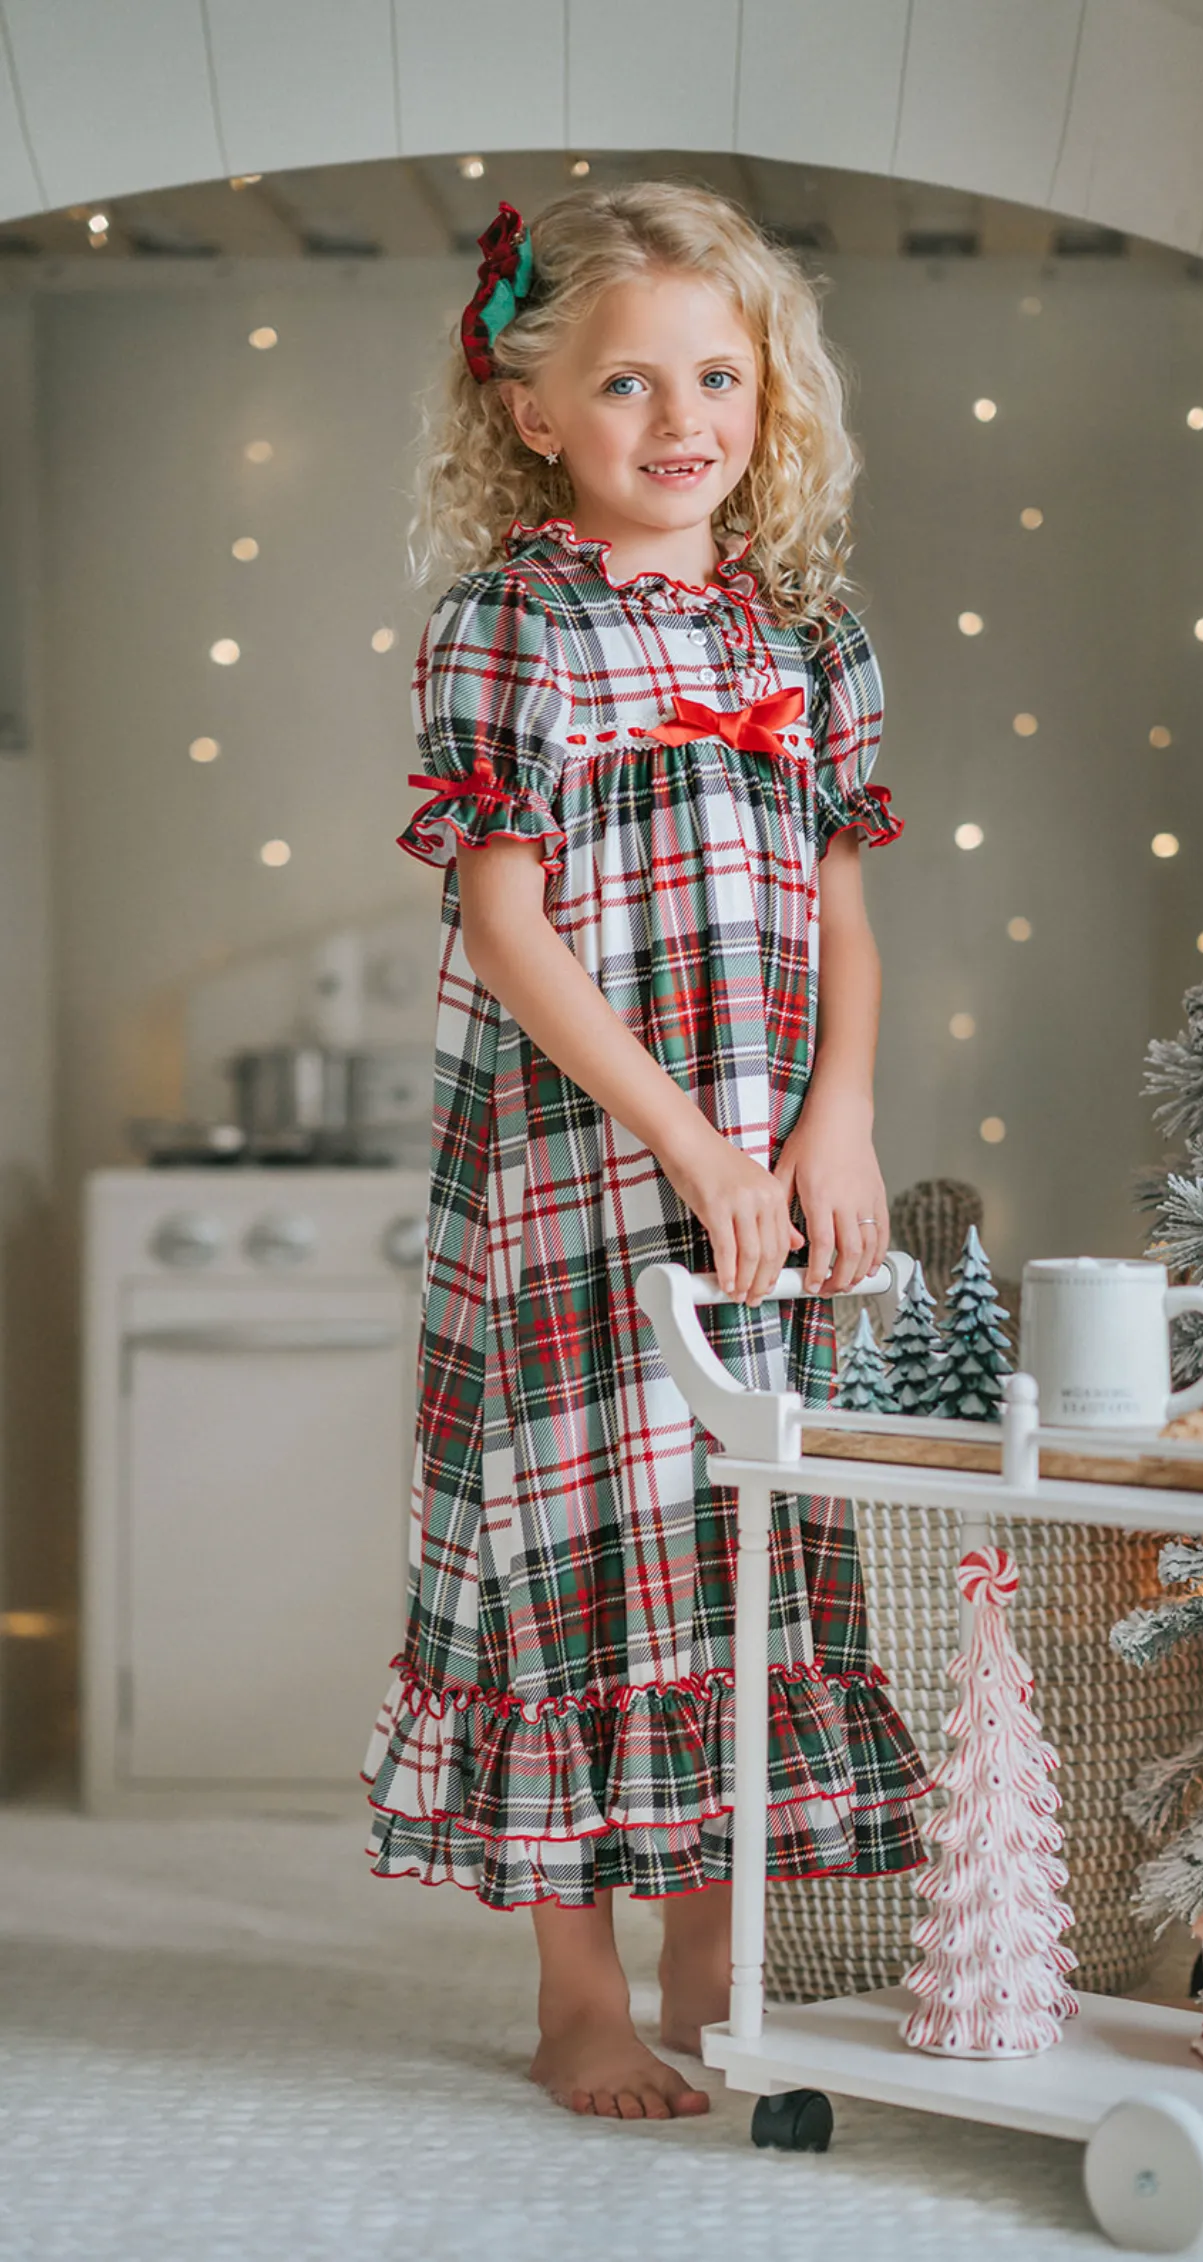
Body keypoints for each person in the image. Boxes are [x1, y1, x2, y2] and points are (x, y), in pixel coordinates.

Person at [362, 182, 930, 2124]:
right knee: (574, 1546)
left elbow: (845, 912)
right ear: (534, 414)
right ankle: (576, 1994)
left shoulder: (809, 636)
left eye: (715, 373)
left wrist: (831, 1120)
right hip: (579, 1168)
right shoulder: (513, 619)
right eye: (624, 382)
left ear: (768, 392)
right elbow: (504, 925)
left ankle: (714, 1954)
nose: (679, 416)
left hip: (769, 1164)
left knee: (739, 1533)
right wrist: (686, 1141)